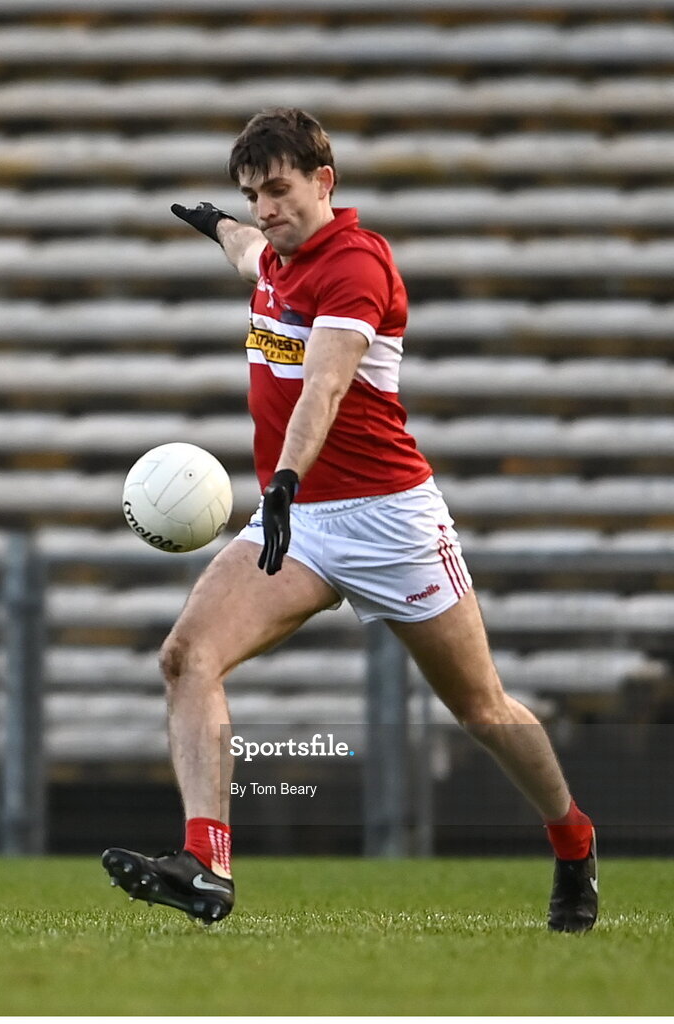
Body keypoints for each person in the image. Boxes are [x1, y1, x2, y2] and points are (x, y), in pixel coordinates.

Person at [102, 107, 597, 932]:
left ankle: (574, 839)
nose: (265, 209)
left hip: (389, 520)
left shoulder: (356, 267)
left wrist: (286, 479)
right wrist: (218, 225)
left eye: (278, 190)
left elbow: (324, 388)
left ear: (324, 182)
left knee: (481, 709)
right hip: (298, 522)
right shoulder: (275, 254)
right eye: (252, 194)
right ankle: (206, 862)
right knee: (187, 655)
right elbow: (248, 254)